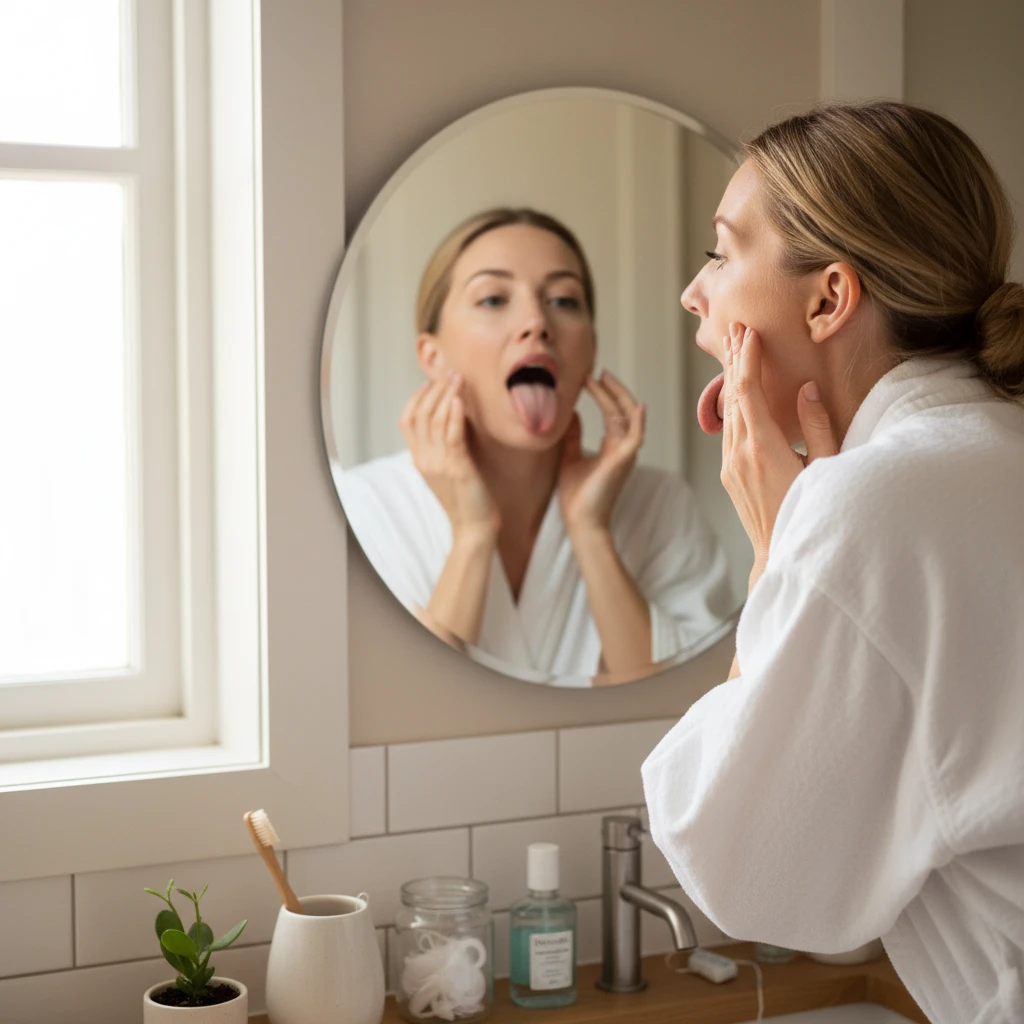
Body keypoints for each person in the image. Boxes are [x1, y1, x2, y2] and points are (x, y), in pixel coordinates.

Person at [640, 101, 1024, 1023]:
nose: (695, 292)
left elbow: (747, 874)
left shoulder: (869, 508)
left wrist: (778, 550)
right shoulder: (985, 448)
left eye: (722, 252)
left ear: (828, 298)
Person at [342, 207, 735, 684]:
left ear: (590, 347)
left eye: (564, 301)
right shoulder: (364, 508)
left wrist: (590, 532)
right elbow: (403, 707)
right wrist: (471, 535)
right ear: (432, 355)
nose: (536, 322)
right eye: (492, 299)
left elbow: (676, 707)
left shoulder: (660, 506)